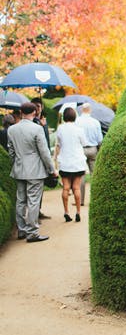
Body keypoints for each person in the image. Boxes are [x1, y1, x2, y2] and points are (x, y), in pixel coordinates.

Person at [7, 102, 57, 242]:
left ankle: (21, 230)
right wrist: (51, 169)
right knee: (33, 201)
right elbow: (44, 152)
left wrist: (16, 164)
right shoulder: (37, 129)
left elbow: (11, 152)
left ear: (21, 112)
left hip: (19, 169)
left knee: (21, 201)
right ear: (34, 112)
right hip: (35, 170)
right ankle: (33, 232)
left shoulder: (12, 129)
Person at [55, 107, 86, 222]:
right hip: (77, 161)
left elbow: (59, 144)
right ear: (74, 116)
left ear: (64, 117)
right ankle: (78, 212)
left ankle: (66, 212)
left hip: (65, 161)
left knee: (66, 188)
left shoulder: (60, 129)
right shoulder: (79, 129)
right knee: (76, 187)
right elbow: (84, 143)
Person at [75, 102, 103, 206]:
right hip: (92, 149)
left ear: (82, 110)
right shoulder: (95, 122)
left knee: (81, 175)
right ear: (90, 110)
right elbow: (100, 139)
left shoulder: (77, 121)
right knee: (94, 175)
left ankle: (80, 201)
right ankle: (95, 199)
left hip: (81, 150)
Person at [31, 98, 52, 220]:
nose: (37, 109)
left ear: (42, 107)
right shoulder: (33, 123)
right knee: (35, 189)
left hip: (44, 157)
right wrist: (43, 127)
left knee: (41, 187)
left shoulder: (43, 121)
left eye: (39, 106)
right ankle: (34, 215)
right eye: (35, 106)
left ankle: (38, 211)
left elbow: (47, 142)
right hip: (37, 159)